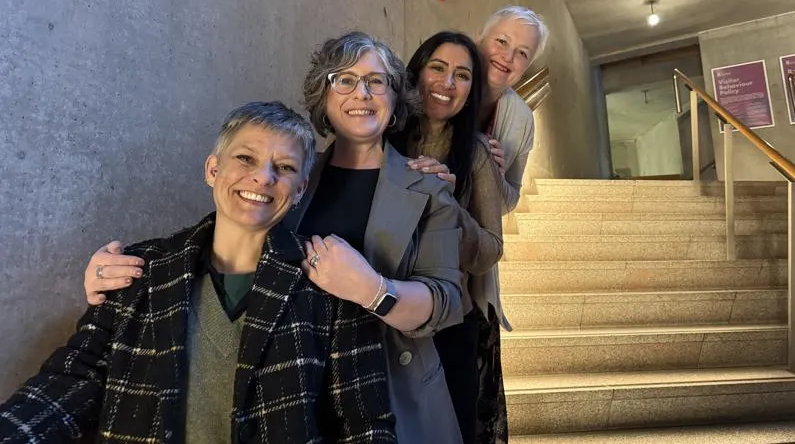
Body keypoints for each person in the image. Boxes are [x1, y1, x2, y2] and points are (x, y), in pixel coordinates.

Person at [81, 33, 465, 444]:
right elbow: (224, 239)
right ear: (324, 96)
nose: (362, 93)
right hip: (292, 387)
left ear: (394, 104)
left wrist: (373, 290)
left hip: (394, 385)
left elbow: (447, 301)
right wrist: (120, 275)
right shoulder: (287, 172)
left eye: (377, 81)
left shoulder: (426, 186)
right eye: (345, 80)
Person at [0, 101, 396, 444]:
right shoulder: (138, 272)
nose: (263, 177)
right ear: (212, 169)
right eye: (246, 158)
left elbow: (364, 422)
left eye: (285, 167)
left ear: (299, 191)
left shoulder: (330, 283)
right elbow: (68, 383)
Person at [390, 32, 505, 444]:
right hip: (381, 309)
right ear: (417, 70)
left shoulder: (475, 153)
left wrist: (448, 204)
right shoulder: (382, 135)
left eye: (462, 75)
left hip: (450, 324)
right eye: (437, 68)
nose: (447, 83)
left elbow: (490, 250)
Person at [476, 6, 550, 214]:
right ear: (479, 37)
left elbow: (509, 203)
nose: (508, 56)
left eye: (522, 53)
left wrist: (495, 178)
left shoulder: (523, 120)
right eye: (501, 41)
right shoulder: (443, 81)